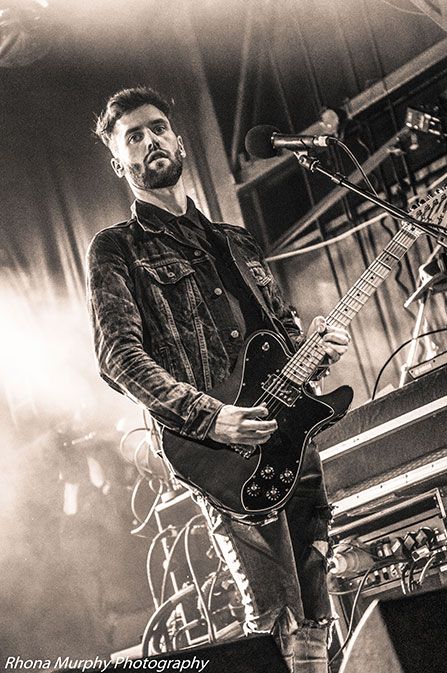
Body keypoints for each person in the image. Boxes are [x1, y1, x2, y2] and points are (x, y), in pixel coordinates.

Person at [86, 86, 350, 672]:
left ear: (179, 141)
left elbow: (280, 336)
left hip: (292, 437)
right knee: (277, 620)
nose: (150, 140)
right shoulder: (117, 249)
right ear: (119, 163)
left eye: (158, 128)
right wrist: (212, 417)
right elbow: (118, 356)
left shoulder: (234, 240)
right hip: (224, 453)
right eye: (133, 136)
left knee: (320, 614)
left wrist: (315, 350)